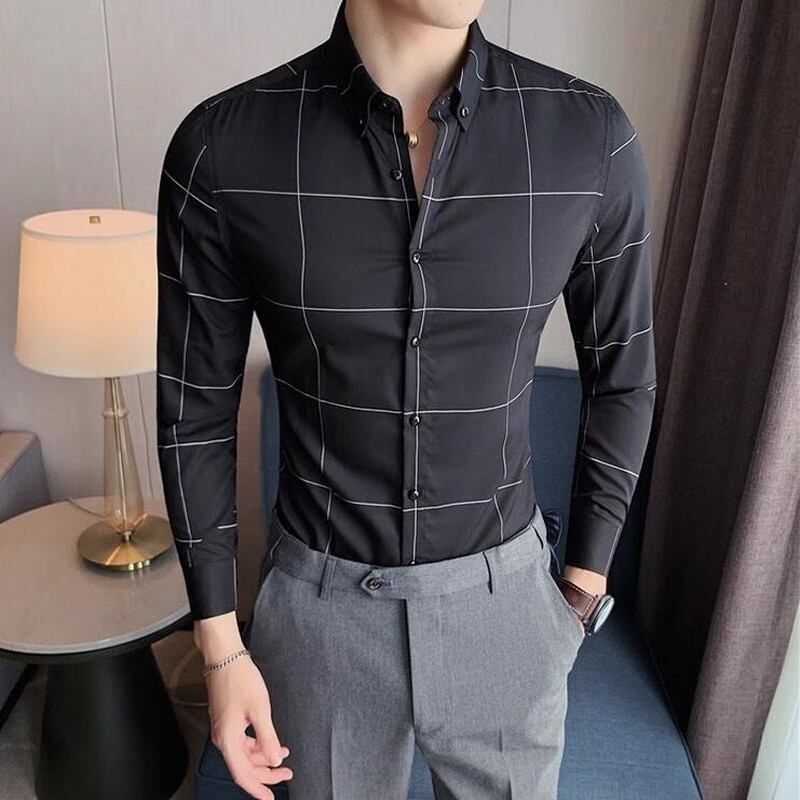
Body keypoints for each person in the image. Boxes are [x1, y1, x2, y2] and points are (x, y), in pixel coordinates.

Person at [155, 0, 656, 797]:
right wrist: (219, 645)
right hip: (319, 623)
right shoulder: (225, 147)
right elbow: (195, 410)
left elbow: (624, 375)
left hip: (508, 612)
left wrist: (580, 595)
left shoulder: (588, 137)